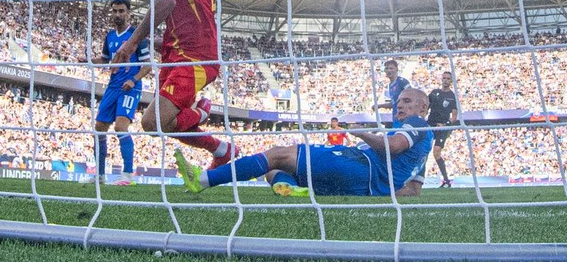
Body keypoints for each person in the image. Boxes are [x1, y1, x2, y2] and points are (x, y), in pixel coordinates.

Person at [112, 0, 233, 168]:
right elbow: (190, 11)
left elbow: (166, 2)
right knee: (162, 124)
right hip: (181, 51)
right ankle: (222, 149)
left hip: (192, 57)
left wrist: (132, 42)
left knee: (153, 123)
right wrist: (160, 40)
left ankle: (201, 113)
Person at [176, 87, 434, 198]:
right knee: (273, 171)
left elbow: (393, 147)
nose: (400, 104)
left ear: (423, 107)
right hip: (358, 184)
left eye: (408, 101)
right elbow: (413, 190)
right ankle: (286, 187)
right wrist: (376, 191)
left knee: (278, 155)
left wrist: (363, 133)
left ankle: (202, 180)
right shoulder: (424, 143)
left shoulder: (417, 125)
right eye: (399, 100)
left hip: (356, 163)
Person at [92, 0, 151, 186]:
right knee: (99, 128)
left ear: (128, 13)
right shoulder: (109, 36)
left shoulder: (136, 36)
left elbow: (147, 66)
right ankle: (99, 176)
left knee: (120, 127)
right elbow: (105, 59)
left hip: (130, 88)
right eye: (115, 11)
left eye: (121, 11)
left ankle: (127, 174)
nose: (118, 14)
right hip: (113, 86)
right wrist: (85, 60)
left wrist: (133, 80)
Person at [428, 71, 460, 187]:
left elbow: (454, 117)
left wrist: (445, 124)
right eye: (444, 78)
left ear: (451, 81)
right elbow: (426, 107)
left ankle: (446, 180)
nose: (445, 80)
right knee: (423, 150)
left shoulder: (452, 97)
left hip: (443, 127)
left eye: (448, 78)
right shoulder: (434, 93)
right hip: (430, 125)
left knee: (436, 152)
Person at [377, 59, 411, 126]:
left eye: (391, 68)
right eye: (387, 68)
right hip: (396, 118)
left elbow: (412, 97)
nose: (389, 70)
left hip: (404, 119)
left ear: (396, 69)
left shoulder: (402, 82)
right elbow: (394, 103)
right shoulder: (390, 85)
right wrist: (379, 106)